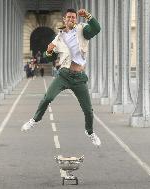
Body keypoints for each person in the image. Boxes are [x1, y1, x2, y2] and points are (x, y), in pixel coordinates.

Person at [21, 8, 101, 147]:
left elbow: (96, 29)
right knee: (48, 97)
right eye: (69, 17)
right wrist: (49, 50)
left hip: (79, 77)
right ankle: (34, 120)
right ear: (64, 19)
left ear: (76, 19)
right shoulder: (58, 38)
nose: (71, 19)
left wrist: (88, 16)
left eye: (73, 17)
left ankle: (90, 132)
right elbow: (49, 57)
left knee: (88, 110)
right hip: (64, 74)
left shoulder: (83, 30)